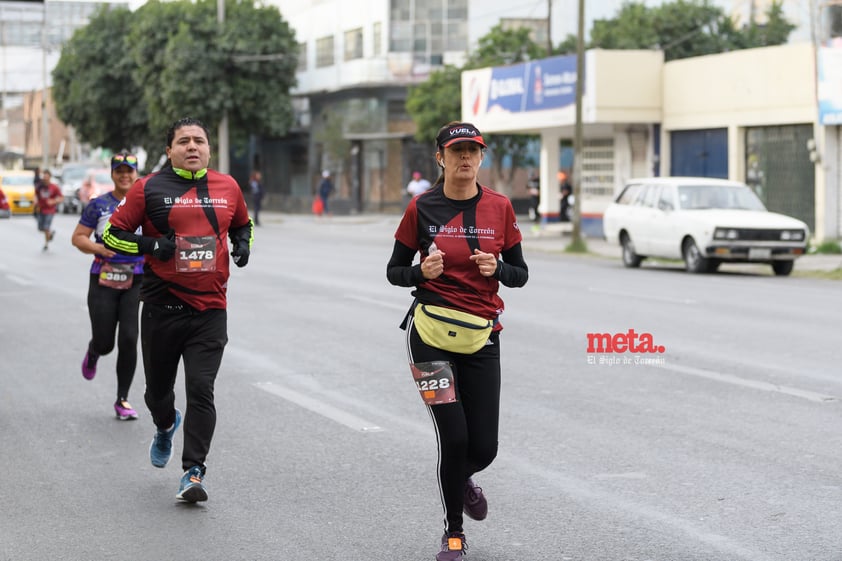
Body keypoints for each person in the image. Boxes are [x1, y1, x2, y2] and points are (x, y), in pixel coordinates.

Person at [386, 121, 529, 561]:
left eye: (473, 150)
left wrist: (497, 270)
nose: (465, 157)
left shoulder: (501, 208)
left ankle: (460, 479)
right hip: (429, 336)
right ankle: (453, 533)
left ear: (481, 158)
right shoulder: (421, 207)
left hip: (482, 337)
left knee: (483, 446)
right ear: (440, 158)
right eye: (457, 150)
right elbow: (394, 271)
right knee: (454, 438)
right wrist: (419, 273)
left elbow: (520, 275)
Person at [103, 117, 253, 503]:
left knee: (201, 388)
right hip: (160, 307)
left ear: (208, 148)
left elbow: (243, 223)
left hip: (210, 310)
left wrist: (243, 244)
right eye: (183, 141)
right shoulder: (147, 188)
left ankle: (194, 471)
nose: (192, 146)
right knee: (157, 394)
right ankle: (165, 425)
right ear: (168, 150)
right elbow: (112, 234)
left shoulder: (228, 186)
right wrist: (152, 248)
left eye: (199, 141)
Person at [71, 152, 145, 420]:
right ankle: (94, 352)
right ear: (112, 173)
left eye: (130, 170)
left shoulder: (147, 205)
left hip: (136, 279)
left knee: (128, 338)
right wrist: (98, 248)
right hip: (103, 279)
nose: (125, 175)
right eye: (119, 170)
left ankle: (122, 400)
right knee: (105, 343)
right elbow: (78, 238)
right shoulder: (98, 205)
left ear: (137, 173)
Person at [34, 170, 64, 251]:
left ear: (50, 178)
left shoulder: (54, 187)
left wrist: (53, 201)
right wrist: (35, 201)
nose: (45, 179)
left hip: (50, 210)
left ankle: (46, 244)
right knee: (41, 228)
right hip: (41, 209)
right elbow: (36, 195)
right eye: (44, 177)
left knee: (46, 227)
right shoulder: (39, 186)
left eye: (47, 177)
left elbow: (61, 198)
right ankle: (50, 234)